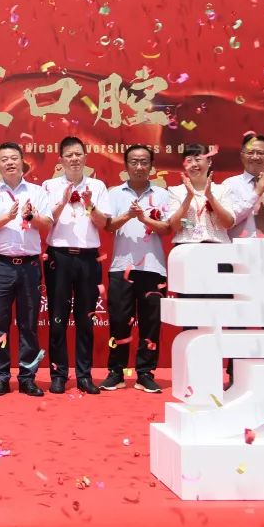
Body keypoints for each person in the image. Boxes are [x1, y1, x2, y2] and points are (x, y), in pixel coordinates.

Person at [0, 142, 53, 397]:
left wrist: (32, 217)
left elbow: (47, 224)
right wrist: (8, 217)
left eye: (14, 158)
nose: (10, 163)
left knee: (29, 324)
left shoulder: (37, 191)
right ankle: (1, 377)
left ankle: (28, 377)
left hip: (29, 266)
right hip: (0, 266)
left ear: (22, 161)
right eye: (4, 159)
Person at [42, 137, 110, 395]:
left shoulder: (97, 186)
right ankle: (58, 374)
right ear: (60, 159)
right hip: (58, 257)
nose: (74, 159)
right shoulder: (49, 186)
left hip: (88, 259)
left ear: (85, 157)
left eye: (78, 154)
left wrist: (89, 204)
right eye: (69, 155)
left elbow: (103, 224)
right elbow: (45, 222)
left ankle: (84, 375)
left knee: (86, 319)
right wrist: (62, 201)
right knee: (57, 318)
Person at [102, 145, 172, 393]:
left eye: (144, 162)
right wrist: (129, 216)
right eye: (134, 162)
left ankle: (145, 373)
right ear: (126, 165)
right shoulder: (114, 193)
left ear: (151, 166)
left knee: (150, 323)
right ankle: (116, 372)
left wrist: (145, 219)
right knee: (119, 321)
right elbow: (107, 226)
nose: (139, 167)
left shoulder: (163, 194)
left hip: (153, 267)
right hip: (122, 266)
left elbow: (168, 228)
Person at [167, 143, 237, 382]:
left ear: (209, 162)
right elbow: (173, 225)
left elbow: (228, 222)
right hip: (189, 255)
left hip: (218, 255)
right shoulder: (175, 191)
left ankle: (223, 373)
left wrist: (210, 197)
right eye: (189, 160)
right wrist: (189, 197)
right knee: (192, 316)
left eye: (198, 159)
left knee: (221, 315)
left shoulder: (223, 190)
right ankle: (194, 375)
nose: (194, 164)